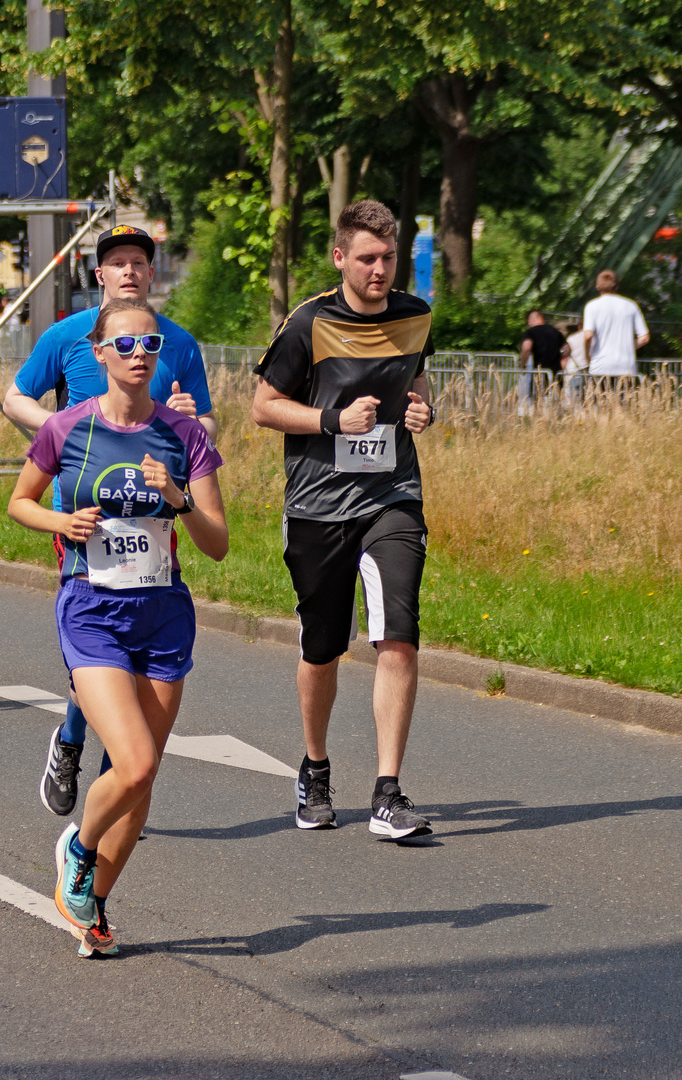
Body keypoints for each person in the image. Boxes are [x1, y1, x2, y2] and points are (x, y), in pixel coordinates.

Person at [8, 298, 228, 957]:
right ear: (98, 353)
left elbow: (216, 543)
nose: (139, 356)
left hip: (163, 613)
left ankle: (92, 905)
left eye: (151, 345)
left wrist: (180, 499)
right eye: (125, 346)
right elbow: (19, 502)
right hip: (91, 609)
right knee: (130, 763)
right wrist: (60, 523)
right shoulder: (66, 428)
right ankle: (76, 848)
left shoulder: (186, 438)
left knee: (143, 777)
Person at [2, 224, 218, 818]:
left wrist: (190, 420)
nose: (128, 272)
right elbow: (15, 397)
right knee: (100, 640)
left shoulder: (176, 342)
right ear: (99, 275)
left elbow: (207, 426)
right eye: (117, 263)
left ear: (152, 274)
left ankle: (118, 783)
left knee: (133, 641)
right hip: (87, 511)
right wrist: (61, 429)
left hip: (152, 506)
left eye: (138, 263)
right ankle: (76, 743)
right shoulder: (70, 336)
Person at [250, 199, 438, 843]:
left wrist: (421, 411)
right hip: (317, 504)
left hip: (392, 496)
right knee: (323, 646)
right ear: (340, 259)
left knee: (400, 634)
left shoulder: (415, 314)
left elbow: (418, 382)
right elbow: (264, 407)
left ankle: (388, 792)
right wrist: (332, 421)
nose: (379, 270)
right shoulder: (307, 323)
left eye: (388, 257)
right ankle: (316, 767)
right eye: (367, 258)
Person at [581, 269, 649, 393]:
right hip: (626, 366)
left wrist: (587, 355)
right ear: (617, 287)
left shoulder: (592, 306)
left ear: (597, 287)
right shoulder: (631, 305)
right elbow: (644, 337)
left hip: (600, 365)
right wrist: (628, 347)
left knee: (601, 408)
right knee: (623, 409)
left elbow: (588, 336)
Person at [518, 308, 566, 403]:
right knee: (557, 401)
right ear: (542, 318)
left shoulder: (530, 332)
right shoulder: (555, 331)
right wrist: (562, 361)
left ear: (529, 321)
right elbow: (567, 349)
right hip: (556, 372)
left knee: (538, 400)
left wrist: (522, 365)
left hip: (540, 372)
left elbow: (526, 349)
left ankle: (540, 416)